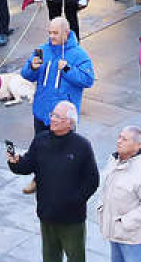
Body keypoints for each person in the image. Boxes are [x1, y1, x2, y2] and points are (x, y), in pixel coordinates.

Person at [8, 100, 100, 262]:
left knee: (76, 257)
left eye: (58, 117)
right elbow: (27, 165)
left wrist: (74, 201)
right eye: (53, 115)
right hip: (47, 214)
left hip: (72, 218)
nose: (53, 119)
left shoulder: (82, 146)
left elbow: (92, 181)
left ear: (70, 123)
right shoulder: (41, 140)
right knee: (50, 257)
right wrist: (15, 162)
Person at [97, 126, 141, 262]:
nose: (119, 141)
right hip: (114, 232)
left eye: (124, 139)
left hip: (131, 238)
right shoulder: (114, 159)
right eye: (119, 137)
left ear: (138, 145)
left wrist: (124, 223)